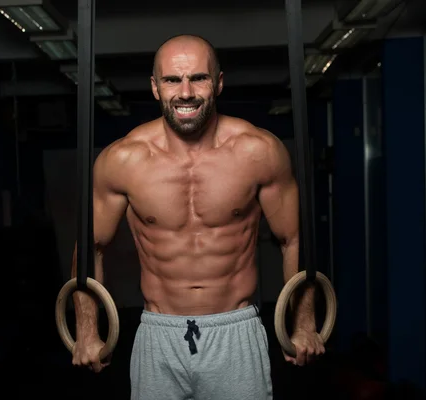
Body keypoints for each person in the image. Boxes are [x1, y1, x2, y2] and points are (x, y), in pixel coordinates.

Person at [70, 34, 324, 399]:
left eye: (199, 78)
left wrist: (303, 322)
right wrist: (86, 329)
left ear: (218, 83)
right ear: (155, 88)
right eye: (173, 79)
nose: (185, 92)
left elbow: (293, 239)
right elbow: (91, 246)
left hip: (235, 330)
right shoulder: (123, 160)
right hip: (159, 333)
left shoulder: (259, 152)